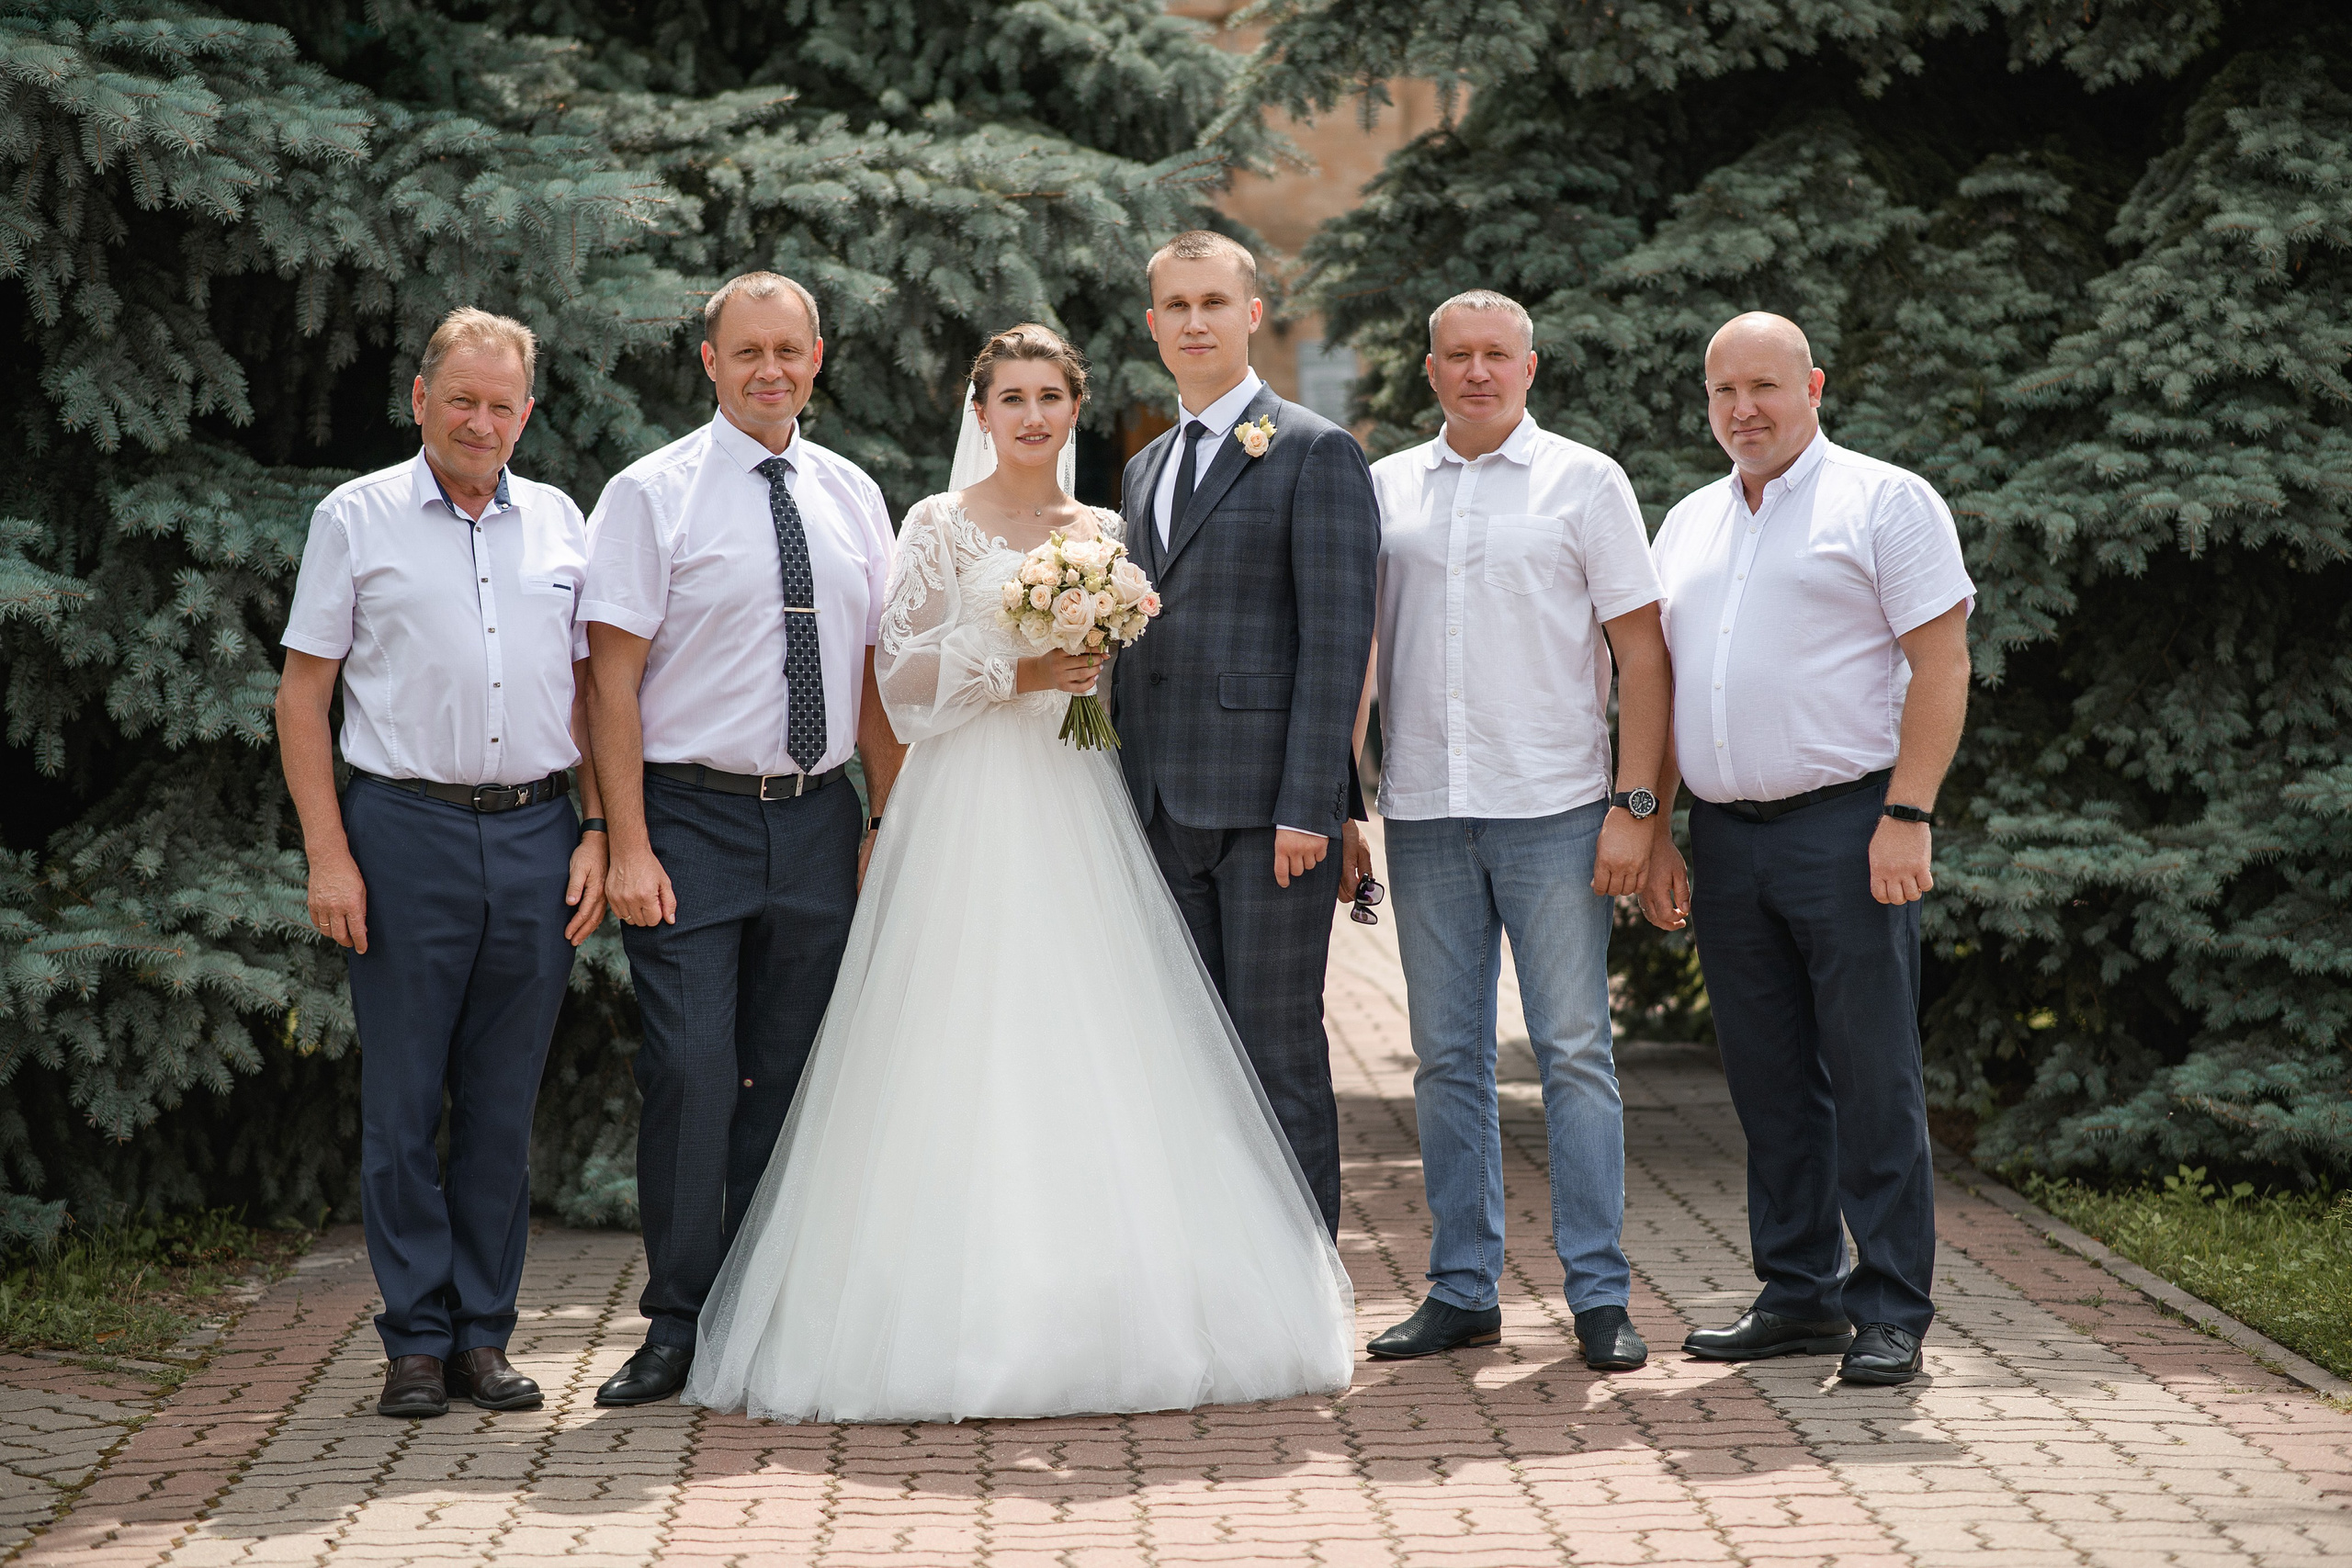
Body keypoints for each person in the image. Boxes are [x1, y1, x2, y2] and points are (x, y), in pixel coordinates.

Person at [683, 324, 1353, 1423]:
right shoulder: (938, 525)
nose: (1032, 416)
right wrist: (1022, 666)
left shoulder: (1107, 530)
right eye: (1012, 398)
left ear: (1072, 410)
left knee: (1096, 1037)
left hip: (1081, 801)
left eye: (1051, 396)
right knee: (956, 1036)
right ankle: (947, 1310)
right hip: (964, 807)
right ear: (979, 411)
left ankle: (1106, 1300)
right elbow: (897, 684)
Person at [580, 272, 906, 1407]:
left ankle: (760, 1313)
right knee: (691, 1068)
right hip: (688, 820)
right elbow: (608, 683)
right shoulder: (649, 494)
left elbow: (873, 670)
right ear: (709, 362)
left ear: (818, 358)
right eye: (747, 350)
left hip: (818, 821)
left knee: (792, 1077)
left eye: (791, 349)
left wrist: (883, 816)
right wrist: (624, 840)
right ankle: (676, 1322)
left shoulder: (853, 492)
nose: (771, 368)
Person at [277, 308, 608, 1420]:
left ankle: (484, 1341)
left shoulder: (562, 522)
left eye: (501, 404)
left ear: (527, 410)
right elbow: (303, 694)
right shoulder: (356, 517)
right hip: (403, 835)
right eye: (460, 400)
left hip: (536, 835)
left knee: (502, 1108)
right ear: (420, 399)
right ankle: (414, 1343)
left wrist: (601, 832)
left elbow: (598, 693)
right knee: (405, 1103)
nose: (480, 421)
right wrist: (331, 854)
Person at [1642, 311, 1973, 1386]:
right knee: (1769, 1079)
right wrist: (1654, 827)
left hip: (1849, 826)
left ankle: (1889, 1309)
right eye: (1723, 391)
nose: (1744, 409)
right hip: (1726, 839)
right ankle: (1797, 1294)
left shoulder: (1883, 500)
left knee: (1872, 1073)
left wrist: (1908, 813)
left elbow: (1942, 662)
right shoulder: (1688, 521)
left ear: (1814, 385)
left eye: (1765, 387)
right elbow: (1662, 684)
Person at [1359, 291, 1670, 1371]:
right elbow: (1355, 657)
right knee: (1446, 1059)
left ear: (1529, 368)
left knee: (1576, 1052)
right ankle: (1462, 1289)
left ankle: (1597, 1295)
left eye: (1498, 355)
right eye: (1458, 355)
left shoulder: (1587, 481)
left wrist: (1637, 809)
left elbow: (1642, 654)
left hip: (1557, 809)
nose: (1478, 372)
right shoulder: (1385, 487)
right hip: (1429, 813)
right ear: (1431, 369)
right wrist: (1344, 802)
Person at [1109, 231, 1380, 1237]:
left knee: (1276, 1049)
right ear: (1152, 325)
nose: (1193, 322)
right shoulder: (1141, 468)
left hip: (1271, 819)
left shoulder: (1314, 450)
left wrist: (1311, 806)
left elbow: (1335, 643)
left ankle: (1306, 1275)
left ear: (1253, 314)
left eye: (1213, 303)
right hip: (1156, 807)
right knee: (1185, 1053)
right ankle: (1215, 1271)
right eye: (1174, 306)